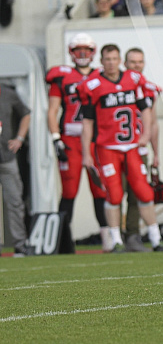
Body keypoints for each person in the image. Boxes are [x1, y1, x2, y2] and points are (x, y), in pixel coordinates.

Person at [79, 44, 163, 252]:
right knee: (114, 194)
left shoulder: (133, 79)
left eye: (114, 58)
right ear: (101, 61)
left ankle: (156, 239)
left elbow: (146, 110)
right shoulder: (93, 85)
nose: (111, 62)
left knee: (144, 192)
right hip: (107, 147)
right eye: (107, 59)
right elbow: (87, 123)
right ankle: (116, 241)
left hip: (131, 147)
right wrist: (86, 153)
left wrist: (145, 135)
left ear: (119, 60)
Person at [46, 33, 110, 253]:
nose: (82, 54)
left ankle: (109, 240)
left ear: (93, 53)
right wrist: (56, 139)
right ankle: (63, 242)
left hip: (95, 140)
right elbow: (52, 111)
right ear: (71, 53)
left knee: (101, 191)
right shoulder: (62, 77)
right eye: (78, 50)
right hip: (71, 139)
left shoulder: (103, 75)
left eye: (87, 50)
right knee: (69, 190)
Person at [121, 47, 161, 251]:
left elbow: (153, 123)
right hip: (115, 148)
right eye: (132, 62)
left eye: (140, 62)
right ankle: (116, 237)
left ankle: (133, 234)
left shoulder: (149, 89)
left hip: (139, 149)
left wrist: (156, 153)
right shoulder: (116, 85)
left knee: (137, 193)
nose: (136, 66)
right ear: (124, 64)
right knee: (114, 193)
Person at [0, 83, 30, 256]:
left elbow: (26, 113)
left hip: (6, 157)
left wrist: (19, 138)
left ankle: (20, 244)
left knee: (15, 202)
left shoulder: (7, 93)